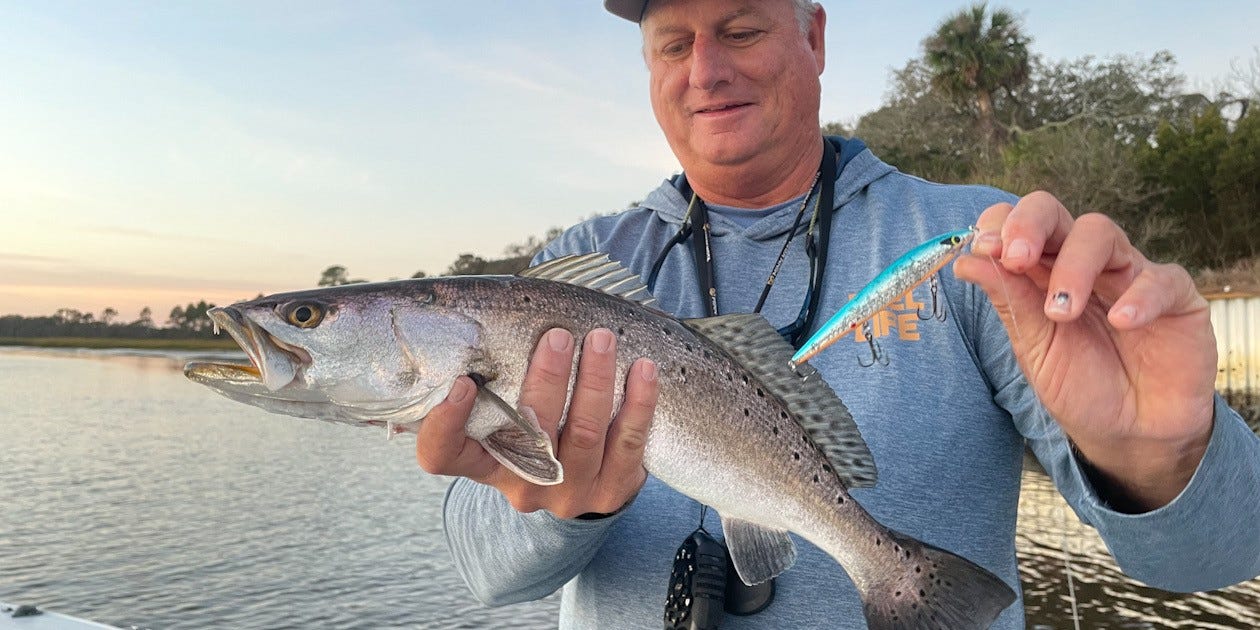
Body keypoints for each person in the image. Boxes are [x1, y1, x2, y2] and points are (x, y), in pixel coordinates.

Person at [416, 0, 1260, 627]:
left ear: (814, 37)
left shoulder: (973, 246)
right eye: (674, 44)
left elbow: (1218, 556)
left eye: (740, 29)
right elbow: (487, 573)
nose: (705, 70)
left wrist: (1167, 455)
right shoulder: (579, 269)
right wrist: (563, 502)